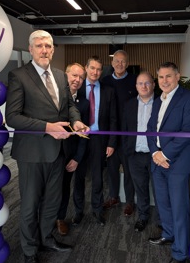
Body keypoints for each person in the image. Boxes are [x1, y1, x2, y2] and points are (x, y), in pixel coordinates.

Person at [5, 30, 89, 263]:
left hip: (58, 153)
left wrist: (76, 120)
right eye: (40, 45)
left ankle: (46, 239)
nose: (44, 50)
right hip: (32, 153)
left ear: (53, 49)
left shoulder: (62, 76)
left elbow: (71, 106)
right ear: (31, 49)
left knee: (52, 203)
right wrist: (46, 127)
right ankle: (29, 251)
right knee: (31, 206)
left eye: (48, 46)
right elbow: (12, 117)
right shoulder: (18, 75)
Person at [146, 62, 190, 263]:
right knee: (163, 203)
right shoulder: (159, 100)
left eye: (168, 76)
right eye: (161, 77)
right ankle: (168, 235)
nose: (164, 81)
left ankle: (180, 251)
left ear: (178, 76)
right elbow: (150, 128)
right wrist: (155, 153)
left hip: (177, 162)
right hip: (157, 160)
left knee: (179, 207)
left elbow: (187, 131)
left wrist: (165, 155)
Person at [72, 56, 117, 227]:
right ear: (86, 68)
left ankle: (97, 211)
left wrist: (111, 143)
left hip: (100, 138)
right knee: (79, 177)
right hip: (79, 138)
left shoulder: (108, 91)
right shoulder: (77, 89)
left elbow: (113, 119)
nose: (95, 72)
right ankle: (78, 212)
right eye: (92, 68)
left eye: (98, 69)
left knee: (98, 177)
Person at [101, 50, 138, 216]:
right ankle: (113, 196)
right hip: (110, 134)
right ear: (112, 62)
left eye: (123, 61)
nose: (119, 64)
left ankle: (130, 200)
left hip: (129, 134)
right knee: (111, 168)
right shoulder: (105, 81)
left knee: (129, 170)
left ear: (128, 63)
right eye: (116, 61)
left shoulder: (134, 81)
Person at [56, 63, 89, 236]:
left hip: (70, 155)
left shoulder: (84, 103)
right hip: (51, 154)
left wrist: (77, 158)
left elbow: (84, 134)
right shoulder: (54, 96)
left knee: (64, 188)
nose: (77, 80)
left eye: (81, 77)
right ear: (65, 75)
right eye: (74, 75)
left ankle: (60, 218)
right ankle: (46, 219)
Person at [122, 71, 156, 232]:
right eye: (140, 83)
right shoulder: (129, 104)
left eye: (147, 83)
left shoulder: (160, 103)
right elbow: (124, 129)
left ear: (153, 85)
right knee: (141, 189)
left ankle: (164, 221)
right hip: (134, 155)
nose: (143, 86)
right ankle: (143, 217)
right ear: (136, 86)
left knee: (159, 189)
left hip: (156, 156)